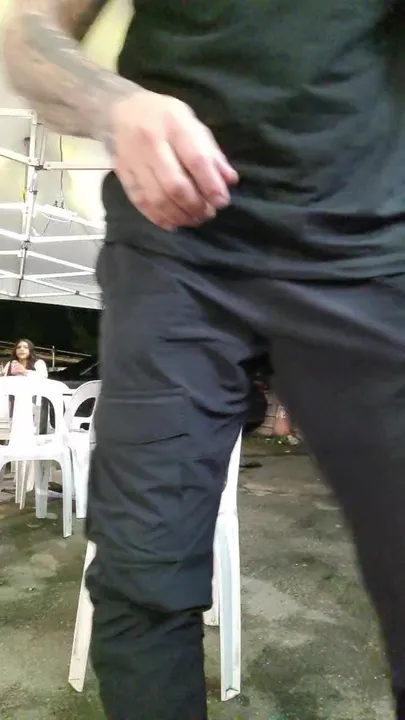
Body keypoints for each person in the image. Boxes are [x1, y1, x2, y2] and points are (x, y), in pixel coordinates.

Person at [4, 1, 405, 718]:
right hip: (172, 246)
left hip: (366, 248)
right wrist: (112, 104)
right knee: (141, 577)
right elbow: (30, 27)